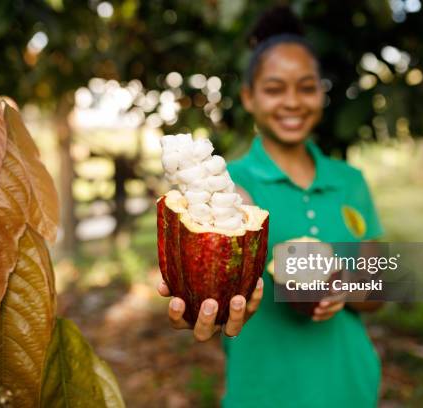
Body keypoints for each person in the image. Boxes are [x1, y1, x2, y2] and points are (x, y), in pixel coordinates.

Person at [158, 6, 384, 407]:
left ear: (321, 91)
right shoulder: (229, 191)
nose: (292, 102)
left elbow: (378, 286)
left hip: (352, 387)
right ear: (249, 97)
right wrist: (199, 303)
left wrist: (341, 286)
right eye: (275, 88)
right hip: (263, 393)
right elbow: (215, 291)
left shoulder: (350, 182)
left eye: (306, 87)